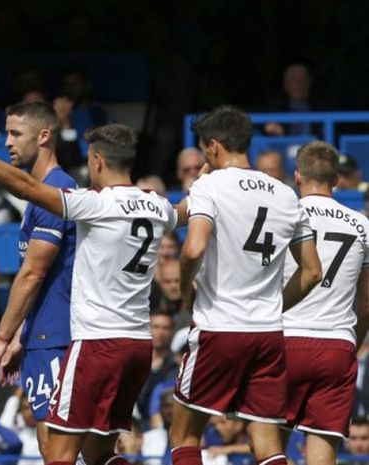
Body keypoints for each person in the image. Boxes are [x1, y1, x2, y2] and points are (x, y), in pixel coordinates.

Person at [0, 113, 183, 465]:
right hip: (138, 346)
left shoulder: (95, 204)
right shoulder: (159, 205)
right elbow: (187, 210)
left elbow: (27, 189)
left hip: (96, 344)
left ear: (97, 161)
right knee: (101, 453)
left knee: (57, 454)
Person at [170, 105, 322, 465]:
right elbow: (312, 271)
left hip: (219, 327)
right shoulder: (286, 193)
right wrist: (276, 306)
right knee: (267, 445)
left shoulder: (209, 185)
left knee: (184, 433)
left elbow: (194, 246)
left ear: (213, 146)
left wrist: (184, 288)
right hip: (268, 332)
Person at [0, 100, 77, 460]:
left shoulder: (57, 191)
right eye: (6, 133)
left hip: (57, 337)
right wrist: (22, 336)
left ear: (44, 135)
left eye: (16, 133)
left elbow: (33, 274)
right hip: (40, 337)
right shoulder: (38, 195)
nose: (7, 142)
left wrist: (0, 341)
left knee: (59, 450)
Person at [282, 141, 369, 465]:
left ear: (297, 176)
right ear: (336, 179)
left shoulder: (284, 216)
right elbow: (366, 304)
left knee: (270, 447)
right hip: (337, 345)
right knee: (323, 457)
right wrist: (352, 343)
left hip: (286, 340)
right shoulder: (362, 225)